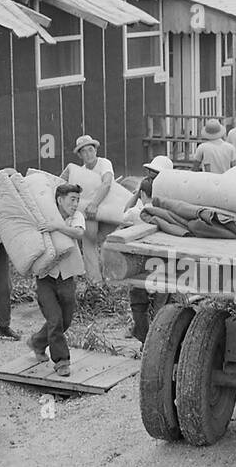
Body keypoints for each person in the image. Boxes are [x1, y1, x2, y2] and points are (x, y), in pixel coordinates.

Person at [27, 183, 86, 378]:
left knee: (65, 320)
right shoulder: (45, 213)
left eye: (77, 199)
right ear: (60, 200)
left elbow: (79, 233)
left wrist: (57, 226)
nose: (75, 203)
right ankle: (62, 362)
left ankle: (37, 341)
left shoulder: (76, 217)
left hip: (67, 275)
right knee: (54, 319)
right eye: (72, 199)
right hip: (45, 276)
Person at [124, 155, 173, 342]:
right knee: (162, 301)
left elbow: (124, 213)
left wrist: (136, 194)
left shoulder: (137, 212)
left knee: (139, 299)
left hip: (142, 262)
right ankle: (156, 339)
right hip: (164, 262)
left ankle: (145, 338)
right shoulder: (170, 208)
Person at [61, 134, 114, 283]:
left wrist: (94, 204)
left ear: (96, 150)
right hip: (91, 215)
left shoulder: (104, 163)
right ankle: (96, 285)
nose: (88, 154)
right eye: (83, 151)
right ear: (80, 155)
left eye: (90, 150)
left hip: (109, 212)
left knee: (106, 243)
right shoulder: (80, 171)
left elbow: (107, 183)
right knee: (88, 241)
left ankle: (110, 279)